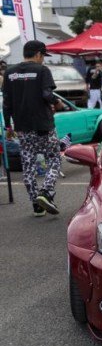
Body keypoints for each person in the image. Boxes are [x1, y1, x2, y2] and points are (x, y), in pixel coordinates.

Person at [2, 41, 64, 216]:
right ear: (38, 54)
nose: (43, 59)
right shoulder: (42, 70)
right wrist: (57, 102)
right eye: (43, 55)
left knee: (28, 164)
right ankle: (45, 192)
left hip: (22, 127)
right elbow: (46, 94)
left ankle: (36, 206)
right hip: (43, 125)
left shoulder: (9, 73)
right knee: (54, 159)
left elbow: (6, 102)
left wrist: (8, 125)